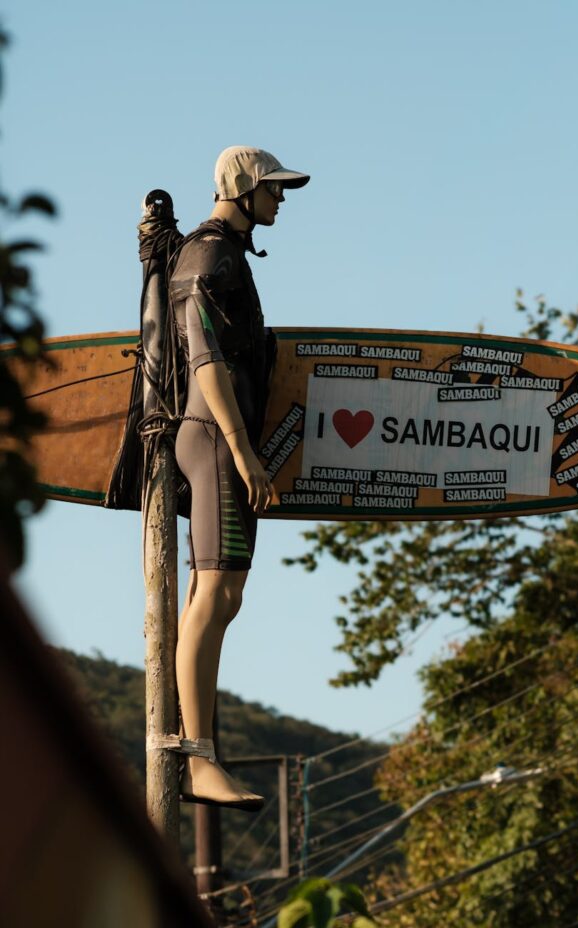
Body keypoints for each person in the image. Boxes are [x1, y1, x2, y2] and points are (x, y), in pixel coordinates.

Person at [169, 146, 310, 807]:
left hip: (226, 442)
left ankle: (199, 749)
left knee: (221, 597)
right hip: (214, 439)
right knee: (215, 597)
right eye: (274, 190)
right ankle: (197, 759)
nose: (280, 200)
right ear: (245, 188)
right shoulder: (210, 256)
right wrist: (244, 452)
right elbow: (206, 363)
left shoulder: (228, 253)